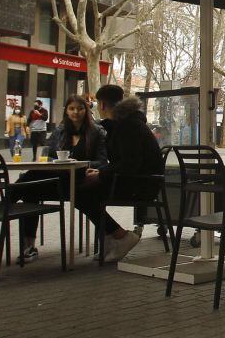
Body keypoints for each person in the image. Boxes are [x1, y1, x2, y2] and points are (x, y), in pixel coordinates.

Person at [12, 95, 109, 261]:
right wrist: (57, 162)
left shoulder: (97, 132)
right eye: (71, 108)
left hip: (80, 180)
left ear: (86, 111)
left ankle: (7, 199)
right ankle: (28, 246)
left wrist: (78, 163)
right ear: (66, 111)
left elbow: (102, 161)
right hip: (58, 179)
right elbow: (46, 157)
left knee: (30, 181)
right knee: (30, 189)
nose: (75, 112)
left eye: (80, 108)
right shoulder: (60, 131)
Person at [79, 85, 163, 261]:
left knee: (82, 193)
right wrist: (101, 172)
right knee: (84, 191)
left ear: (101, 105)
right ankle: (111, 238)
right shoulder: (128, 123)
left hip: (138, 185)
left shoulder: (126, 127)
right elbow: (126, 162)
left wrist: (101, 175)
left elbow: (129, 163)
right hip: (142, 182)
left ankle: (119, 236)